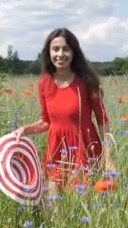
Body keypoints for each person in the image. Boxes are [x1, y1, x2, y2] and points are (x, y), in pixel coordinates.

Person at [14, 28, 116, 195]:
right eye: (55, 49)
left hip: (85, 150)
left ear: (74, 52)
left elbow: (103, 121)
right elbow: (46, 121)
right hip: (56, 152)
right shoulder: (44, 83)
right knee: (52, 203)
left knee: (83, 202)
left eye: (66, 49)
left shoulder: (87, 81)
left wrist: (108, 158)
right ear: (48, 52)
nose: (60, 54)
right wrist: (24, 130)